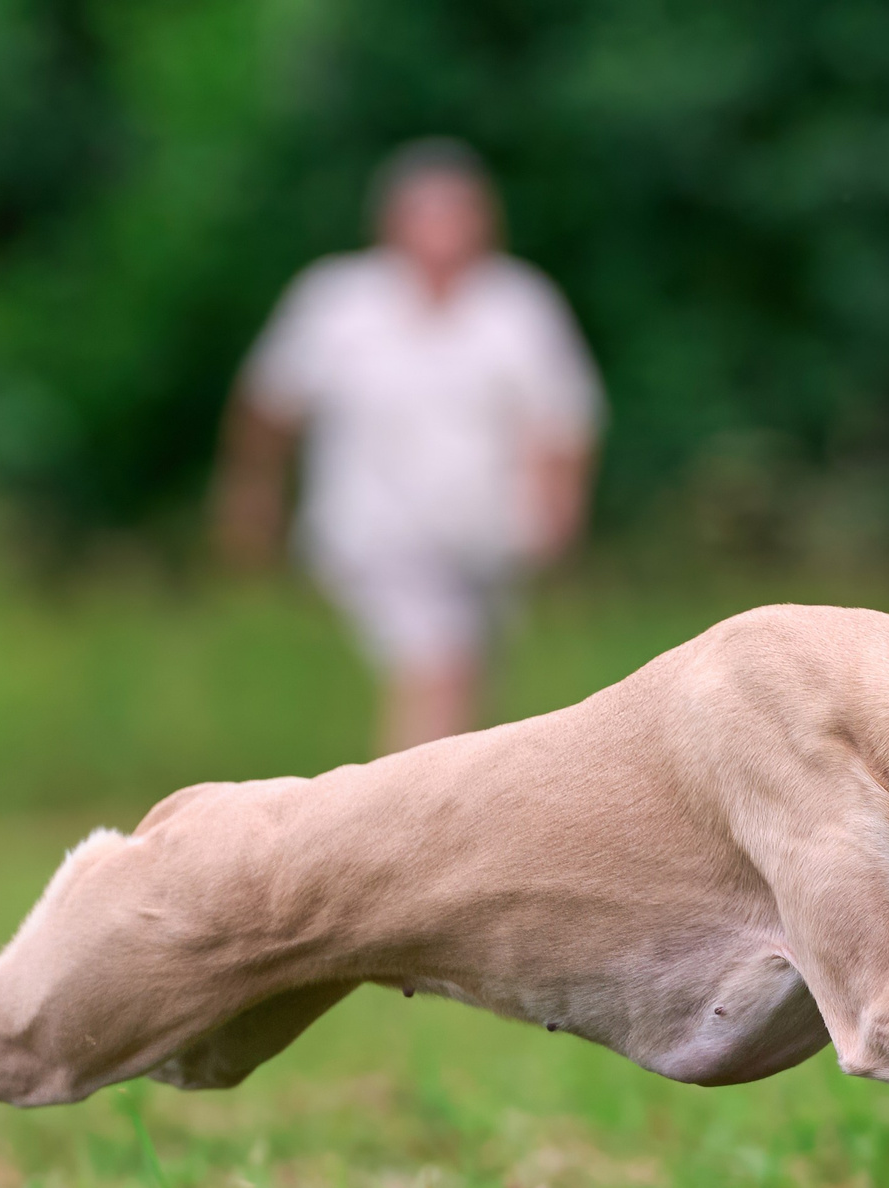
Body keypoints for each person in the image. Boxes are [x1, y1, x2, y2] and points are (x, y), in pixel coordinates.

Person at [213, 139, 603, 753]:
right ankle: (397, 836)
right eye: (427, 213)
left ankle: (450, 830)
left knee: (467, 690)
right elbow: (268, 403)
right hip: (371, 533)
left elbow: (562, 419)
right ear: (391, 222)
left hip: (488, 539)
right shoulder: (337, 303)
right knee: (436, 663)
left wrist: (558, 507)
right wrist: (251, 491)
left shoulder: (518, 305)